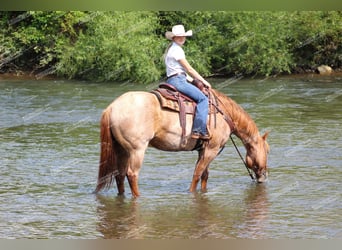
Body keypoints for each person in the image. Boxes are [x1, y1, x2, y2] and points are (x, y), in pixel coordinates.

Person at [164, 24, 212, 140]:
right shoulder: (177, 50)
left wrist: (193, 80)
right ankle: (198, 130)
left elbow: (180, 72)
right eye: (179, 36)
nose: (182, 38)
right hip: (178, 81)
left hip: (174, 79)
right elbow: (189, 69)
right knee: (203, 99)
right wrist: (204, 81)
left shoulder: (171, 49)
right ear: (174, 38)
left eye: (183, 36)